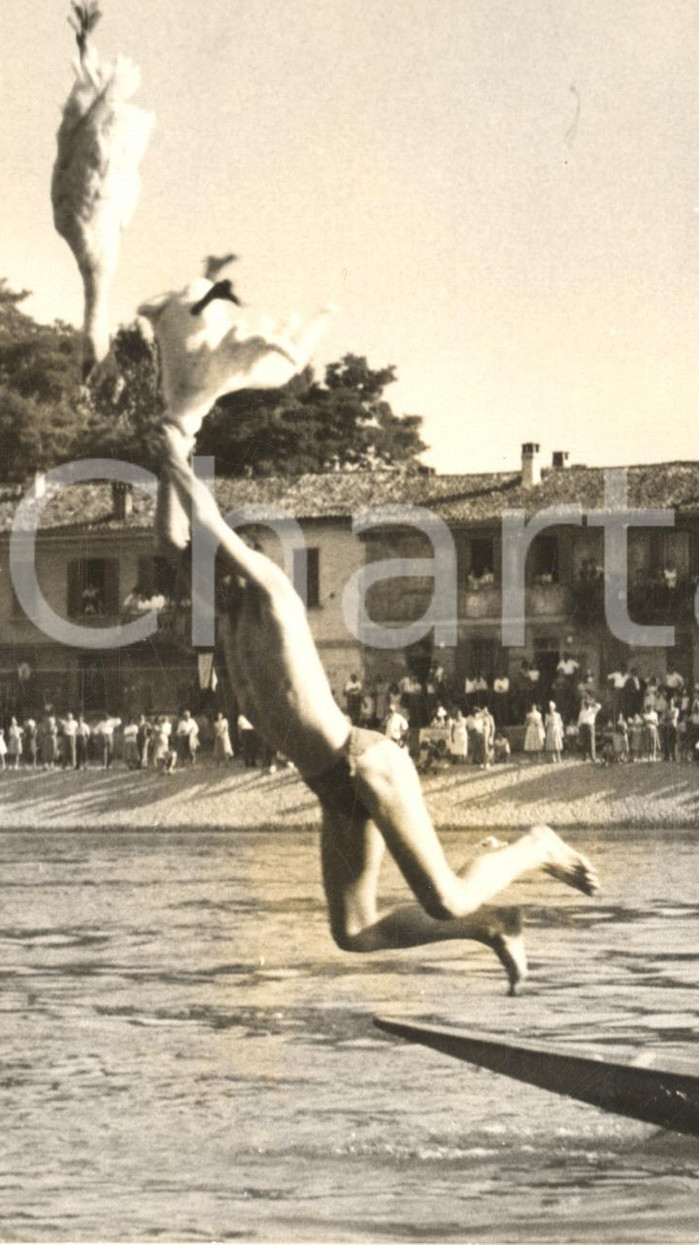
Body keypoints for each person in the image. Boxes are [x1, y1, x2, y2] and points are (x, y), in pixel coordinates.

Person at [137, 275, 599, 993]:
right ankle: (495, 925)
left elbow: (207, 525)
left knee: (444, 895)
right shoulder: (224, 613)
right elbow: (173, 538)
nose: (201, 573)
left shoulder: (271, 592)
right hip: (334, 788)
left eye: (219, 560)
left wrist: (176, 449)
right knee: (353, 932)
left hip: (365, 763)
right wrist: (175, 435)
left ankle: (534, 847)